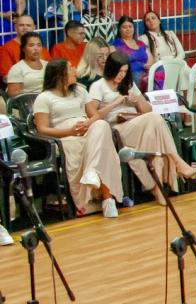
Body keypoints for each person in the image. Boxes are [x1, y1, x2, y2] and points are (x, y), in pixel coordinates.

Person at [89, 50, 196, 202]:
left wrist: (136, 101)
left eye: (125, 72)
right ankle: (177, 162)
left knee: (154, 135)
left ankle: (158, 190)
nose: (121, 75)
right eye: (119, 71)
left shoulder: (128, 84)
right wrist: (116, 102)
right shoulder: (98, 86)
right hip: (116, 128)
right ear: (111, 69)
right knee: (155, 120)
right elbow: (93, 115)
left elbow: (147, 109)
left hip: (136, 121)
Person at [32, 58, 126, 216]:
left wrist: (88, 123)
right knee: (101, 147)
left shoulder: (80, 91)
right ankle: (106, 200)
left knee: (101, 126)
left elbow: (95, 115)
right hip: (65, 135)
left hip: (88, 129)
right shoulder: (44, 98)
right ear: (59, 74)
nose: (75, 69)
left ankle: (93, 174)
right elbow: (42, 129)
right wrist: (70, 131)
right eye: (70, 68)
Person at [5, 30, 47, 96]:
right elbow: (13, 96)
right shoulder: (17, 69)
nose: (36, 48)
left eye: (39, 45)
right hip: (27, 104)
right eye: (31, 45)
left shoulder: (47, 65)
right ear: (23, 49)